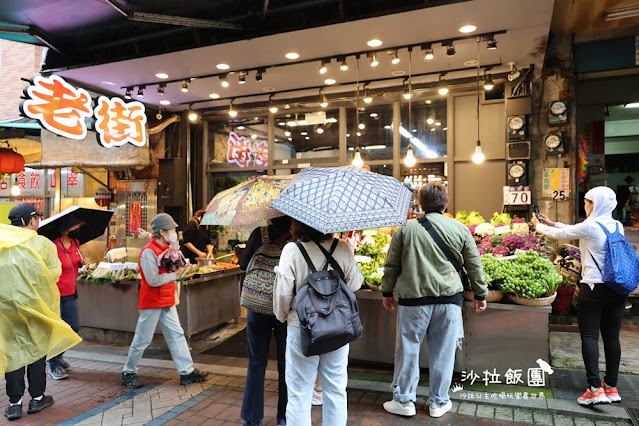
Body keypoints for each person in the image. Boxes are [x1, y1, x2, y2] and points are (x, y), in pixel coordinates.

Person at [380, 183, 488, 418]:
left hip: (413, 303)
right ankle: (439, 402)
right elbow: (474, 265)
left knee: (408, 350)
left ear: (420, 203)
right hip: (449, 301)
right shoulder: (460, 229)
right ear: (445, 203)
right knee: (444, 352)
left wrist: (386, 292)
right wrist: (481, 294)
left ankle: (404, 400)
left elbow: (392, 266)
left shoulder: (405, 229)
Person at [533, 186, 626, 405]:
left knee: (590, 337)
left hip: (594, 289)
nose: (585, 205)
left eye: (587, 202)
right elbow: (576, 229)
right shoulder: (617, 225)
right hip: (618, 289)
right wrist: (553, 222)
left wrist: (539, 226)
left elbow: (563, 234)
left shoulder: (591, 225)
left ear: (596, 204)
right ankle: (611, 387)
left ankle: (594, 389)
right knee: (612, 337)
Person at [273, 219, 363, 426]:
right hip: (338, 328)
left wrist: (283, 316)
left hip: (301, 327)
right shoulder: (342, 247)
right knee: (336, 389)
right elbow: (356, 284)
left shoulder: (292, 250)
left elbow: (282, 295)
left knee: (299, 392)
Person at [1, 204, 81, 421]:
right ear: (32, 220)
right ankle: (37, 397)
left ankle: (14, 403)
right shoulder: (43, 244)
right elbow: (54, 273)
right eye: (37, 217)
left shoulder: (2, 241)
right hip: (37, 308)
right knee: (37, 352)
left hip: (8, 310)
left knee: (13, 354)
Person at [121, 213, 208, 388]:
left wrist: (176, 263)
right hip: (152, 301)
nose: (175, 232)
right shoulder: (148, 252)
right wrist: (175, 276)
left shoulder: (166, 249)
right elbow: (152, 280)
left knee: (177, 335)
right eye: (172, 229)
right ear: (162, 232)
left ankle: (187, 371)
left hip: (167, 300)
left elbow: (174, 266)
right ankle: (129, 371)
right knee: (143, 338)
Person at [239, 215, 291, 426]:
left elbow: (243, 264)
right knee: (286, 364)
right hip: (284, 308)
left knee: (256, 363)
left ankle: (252, 419)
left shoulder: (259, 233)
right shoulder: (296, 240)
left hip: (257, 305)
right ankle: (284, 417)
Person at [48, 215, 87, 380]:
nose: (78, 229)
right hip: (56, 295)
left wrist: (81, 263)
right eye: (75, 227)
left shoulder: (76, 244)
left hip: (71, 293)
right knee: (57, 331)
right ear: (65, 229)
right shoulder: (53, 246)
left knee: (73, 328)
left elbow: (73, 262)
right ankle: (54, 365)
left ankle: (58, 354)